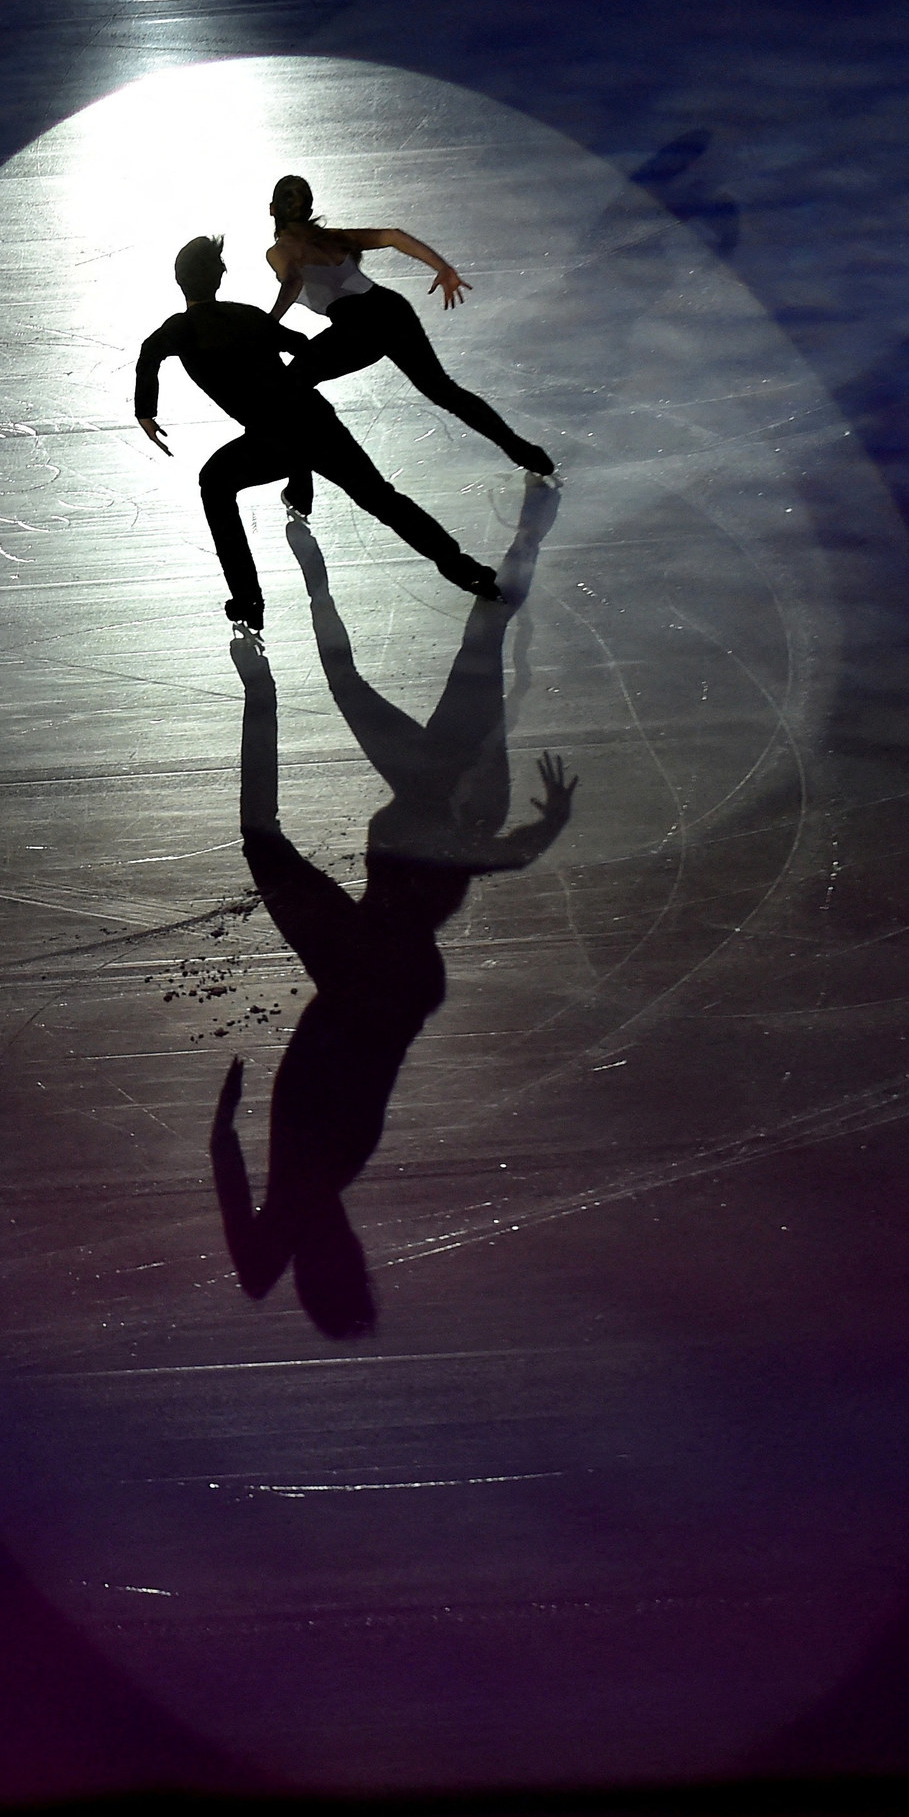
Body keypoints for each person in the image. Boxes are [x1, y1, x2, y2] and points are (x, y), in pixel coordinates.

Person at [211, 487, 572, 1337]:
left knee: (265, 831)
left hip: (364, 965)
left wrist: (226, 1143)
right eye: (343, 1262)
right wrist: (536, 835)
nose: (328, 1250)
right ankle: (270, 661)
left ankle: (264, 672)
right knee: (458, 652)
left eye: (327, 1267)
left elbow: (262, 1266)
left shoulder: (310, 1198)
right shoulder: (323, 1179)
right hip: (375, 969)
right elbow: (262, 1266)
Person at [137, 234, 500, 637]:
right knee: (380, 498)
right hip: (315, 422)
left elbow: (147, 358)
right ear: (219, 276)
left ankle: (249, 601)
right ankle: (466, 571)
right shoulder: (249, 316)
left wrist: (146, 414)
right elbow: (300, 345)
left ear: (178, 280)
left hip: (271, 440)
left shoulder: (178, 330)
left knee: (214, 484)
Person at [263, 174, 554, 514]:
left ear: (272, 209)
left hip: (357, 325)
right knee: (444, 390)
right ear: (309, 208)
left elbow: (294, 280)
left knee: (290, 389)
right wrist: (442, 267)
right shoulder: (335, 238)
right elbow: (392, 236)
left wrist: (268, 326)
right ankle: (527, 453)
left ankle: (300, 489)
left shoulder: (279, 251)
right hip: (390, 308)